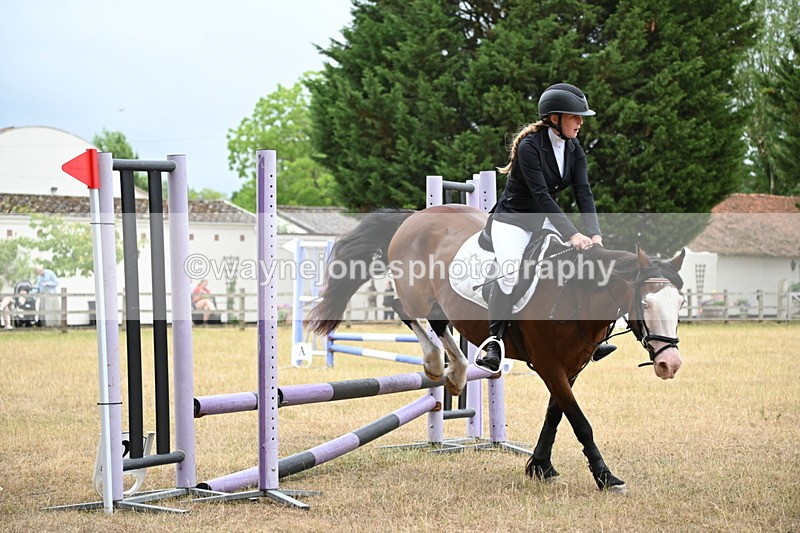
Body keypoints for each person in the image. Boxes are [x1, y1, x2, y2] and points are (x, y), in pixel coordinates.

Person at [476, 83, 604, 373]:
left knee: (584, 260)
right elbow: (541, 196)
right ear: (555, 118)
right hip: (513, 220)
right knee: (510, 272)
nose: (581, 122)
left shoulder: (574, 149)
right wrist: (572, 234)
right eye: (575, 116)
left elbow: (584, 192)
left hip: (544, 219)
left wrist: (594, 233)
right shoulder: (530, 146)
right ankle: (494, 340)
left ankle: (590, 337)